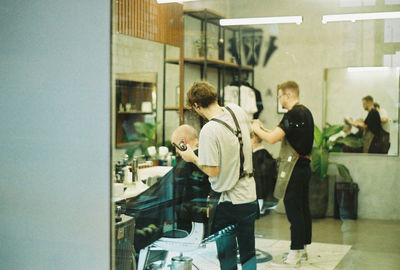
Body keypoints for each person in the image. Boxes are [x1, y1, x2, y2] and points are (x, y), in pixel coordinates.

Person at [178, 81, 258, 270]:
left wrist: (192, 158)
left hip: (228, 202)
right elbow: (250, 135)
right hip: (249, 195)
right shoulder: (236, 110)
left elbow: (212, 170)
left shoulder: (209, 130)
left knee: (227, 255)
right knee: (248, 252)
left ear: (196, 106)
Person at [252, 81, 314, 267]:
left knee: (294, 211)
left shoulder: (293, 114)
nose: (279, 100)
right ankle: (302, 250)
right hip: (304, 168)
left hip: (294, 170)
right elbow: (275, 133)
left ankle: (294, 254)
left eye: (280, 96)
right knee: (302, 209)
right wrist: (262, 128)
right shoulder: (306, 112)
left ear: (288, 95)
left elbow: (271, 139)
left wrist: (254, 128)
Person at [171, 124, 211, 235]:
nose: (176, 151)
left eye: (175, 146)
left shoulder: (188, 161)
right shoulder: (207, 155)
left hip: (190, 218)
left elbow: (179, 192)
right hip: (206, 215)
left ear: (182, 142)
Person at [250, 132, 277, 214]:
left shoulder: (259, 155)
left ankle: (260, 208)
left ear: (254, 139)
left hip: (261, 186)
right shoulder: (260, 153)